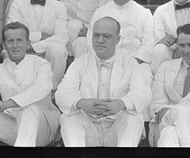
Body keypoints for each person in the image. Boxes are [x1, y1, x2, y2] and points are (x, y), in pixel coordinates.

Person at [55, 17, 151, 147]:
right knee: (68, 117)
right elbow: (62, 93)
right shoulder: (80, 62)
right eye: (96, 35)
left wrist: (121, 103)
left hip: (117, 128)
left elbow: (143, 93)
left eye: (106, 36)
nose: (100, 40)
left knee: (134, 117)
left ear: (117, 40)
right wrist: (81, 103)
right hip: (88, 127)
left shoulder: (130, 62)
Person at [76, 0, 154, 122]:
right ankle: (96, 116)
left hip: (135, 61)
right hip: (106, 60)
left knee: (144, 74)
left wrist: (133, 63)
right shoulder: (100, 12)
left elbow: (148, 42)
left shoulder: (144, 13)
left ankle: (141, 121)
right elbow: (91, 41)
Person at [5, 0, 68, 92]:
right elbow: (15, 34)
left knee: (58, 48)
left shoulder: (59, 6)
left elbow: (61, 38)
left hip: (45, 53)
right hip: (23, 52)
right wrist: (41, 36)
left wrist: (33, 46)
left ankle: (51, 93)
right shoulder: (17, 5)